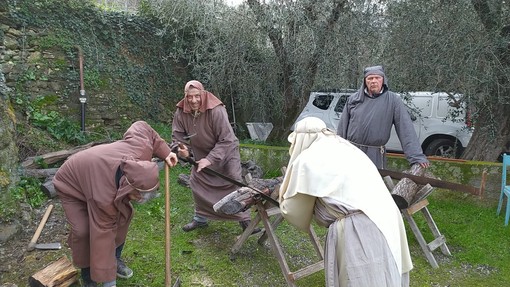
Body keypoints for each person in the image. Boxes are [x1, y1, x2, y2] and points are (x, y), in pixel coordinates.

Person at [279, 117, 413, 287]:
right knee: (386, 273)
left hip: (357, 229)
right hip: (386, 215)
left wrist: (284, 202)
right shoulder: (346, 147)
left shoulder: (306, 160)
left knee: (361, 279)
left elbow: (295, 211)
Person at [53, 121, 178, 287]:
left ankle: (113, 260)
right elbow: (103, 233)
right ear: (127, 185)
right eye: (137, 196)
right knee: (84, 231)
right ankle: (90, 276)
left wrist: (166, 152)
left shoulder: (140, 151)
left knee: (124, 216)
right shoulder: (104, 197)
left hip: (96, 177)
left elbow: (142, 127)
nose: (138, 200)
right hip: (71, 184)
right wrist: (110, 284)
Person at [171, 80, 256, 233]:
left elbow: (227, 139)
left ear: (203, 94)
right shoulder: (181, 112)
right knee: (197, 182)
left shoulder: (216, 110)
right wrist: (182, 149)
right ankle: (200, 218)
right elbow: (177, 137)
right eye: (189, 97)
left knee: (234, 181)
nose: (193, 100)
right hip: (201, 153)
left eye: (197, 96)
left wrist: (209, 159)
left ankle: (245, 220)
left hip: (226, 152)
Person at [337, 65, 430, 169]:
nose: (373, 81)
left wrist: (416, 157)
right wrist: (338, 151)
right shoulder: (353, 99)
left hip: (375, 155)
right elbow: (342, 127)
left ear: (383, 80)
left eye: (377, 78)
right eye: (370, 78)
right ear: (365, 81)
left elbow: (406, 129)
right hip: (352, 152)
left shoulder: (393, 100)